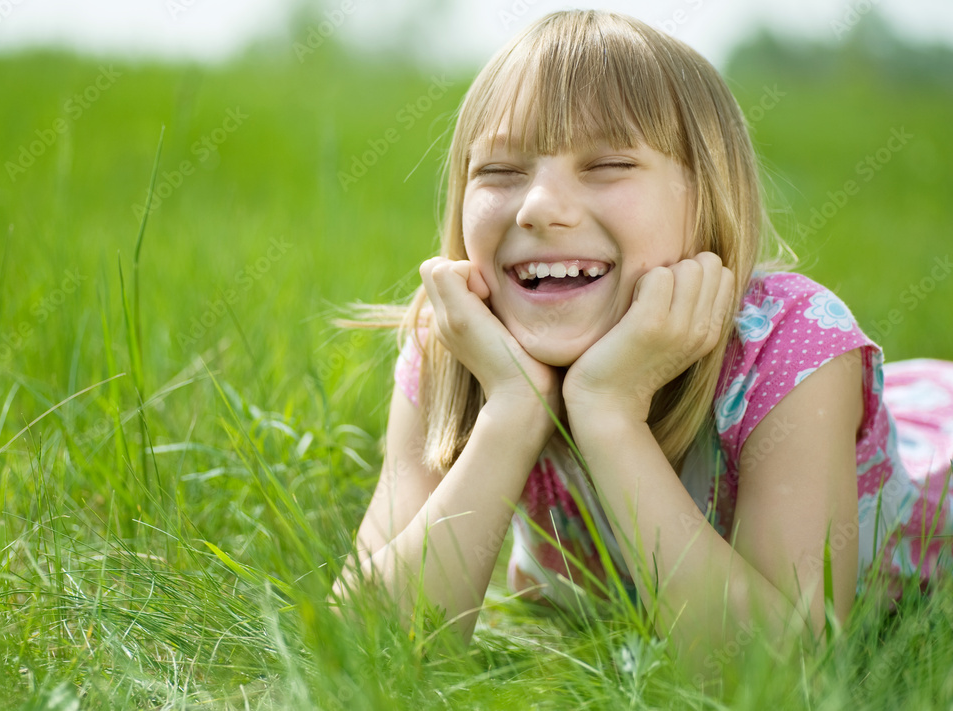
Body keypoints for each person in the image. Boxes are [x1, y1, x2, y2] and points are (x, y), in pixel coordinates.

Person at [331, 9, 953, 678]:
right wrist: (511, 410)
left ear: (710, 201)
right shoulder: (458, 341)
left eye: (607, 164)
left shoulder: (793, 348)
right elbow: (363, 655)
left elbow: (776, 675)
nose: (539, 206)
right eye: (501, 172)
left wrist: (606, 411)